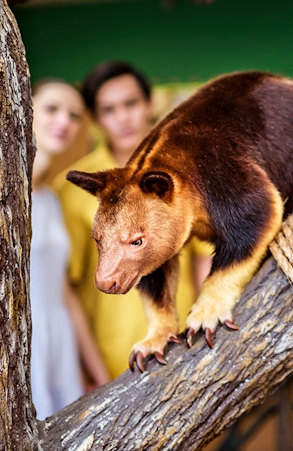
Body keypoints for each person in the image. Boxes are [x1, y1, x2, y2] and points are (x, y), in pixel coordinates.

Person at [55, 61, 213, 378]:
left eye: (130, 104)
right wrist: (89, 372)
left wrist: (205, 336)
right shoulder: (75, 188)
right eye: (109, 110)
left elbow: (204, 258)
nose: (123, 118)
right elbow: (65, 289)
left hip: (181, 344)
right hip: (109, 358)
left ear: (149, 104)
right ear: (97, 120)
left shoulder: (185, 174)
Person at [30, 79, 109, 420]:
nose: (64, 121)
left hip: (58, 340)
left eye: (74, 115)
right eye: (51, 109)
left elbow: (64, 293)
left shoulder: (49, 198)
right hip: (23, 340)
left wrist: (102, 378)